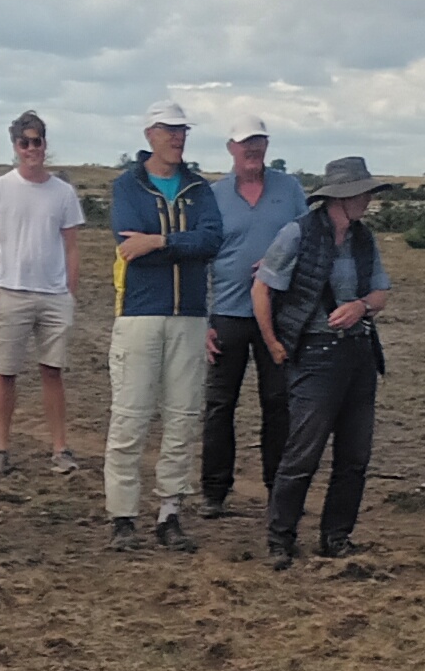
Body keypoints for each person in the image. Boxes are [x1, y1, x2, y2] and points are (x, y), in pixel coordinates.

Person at [255, 158, 394, 568]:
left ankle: (336, 537)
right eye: (362, 193)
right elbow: (262, 288)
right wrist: (273, 345)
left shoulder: (363, 239)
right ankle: (280, 539)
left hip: (358, 353)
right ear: (342, 196)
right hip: (315, 354)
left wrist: (360, 306)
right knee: (303, 453)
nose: (368, 200)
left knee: (355, 456)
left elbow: (381, 294)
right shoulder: (296, 233)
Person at [101, 104, 221, 552]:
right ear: (150, 133)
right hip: (140, 313)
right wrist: (168, 246)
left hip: (189, 315)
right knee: (131, 416)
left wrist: (160, 240)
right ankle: (123, 516)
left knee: (183, 416)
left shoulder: (198, 189)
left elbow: (211, 241)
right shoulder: (126, 187)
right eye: (170, 131)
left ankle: (170, 513)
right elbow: (128, 244)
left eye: (182, 131)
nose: (178, 138)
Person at [0, 111, 87, 476]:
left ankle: (60, 448)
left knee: (52, 371)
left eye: (36, 141)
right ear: (15, 147)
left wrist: (68, 292)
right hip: (12, 293)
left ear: (44, 144)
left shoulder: (63, 192)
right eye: (24, 142)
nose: (31, 149)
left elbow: (72, 246)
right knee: (5, 372)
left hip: (54, 296)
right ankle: (1, 448)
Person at [200, 115, 296, 515]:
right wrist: (202, 321)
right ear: (231, 149)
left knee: (279, 402)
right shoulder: (213, 196)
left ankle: (279, 489)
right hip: (227, 313)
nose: (252, 149)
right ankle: (214, 492)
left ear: (267, 145)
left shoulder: (290, 190)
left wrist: (281, 267)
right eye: (245, 143)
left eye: (259, 142)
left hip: (279, 316)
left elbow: (306, 240)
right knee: (221, 404)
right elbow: (200, 258)